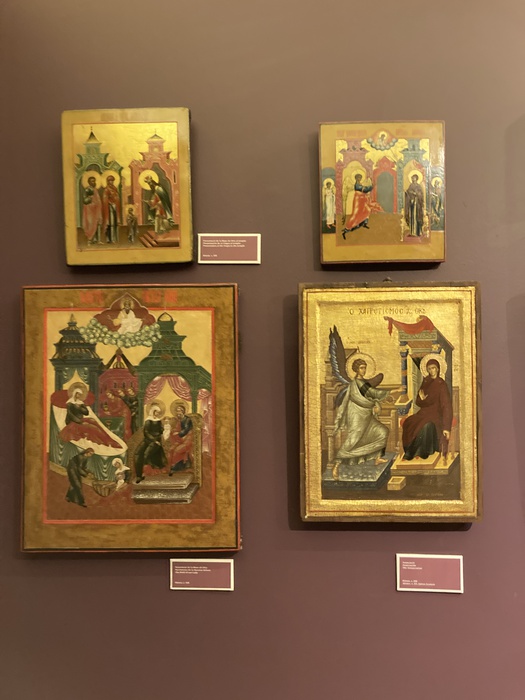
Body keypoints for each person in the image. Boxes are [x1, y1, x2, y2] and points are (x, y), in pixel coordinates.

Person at [333, 358, 389, 474]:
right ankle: (336, 464)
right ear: (356, 369)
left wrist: (375, 403)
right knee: (353, 440)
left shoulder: (363, 383)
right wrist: (393, 391)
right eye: (361, 368)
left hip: (367, 415)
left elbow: (371, 394)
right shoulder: (355, 384)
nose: (364, 370)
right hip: (357, 415)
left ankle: (377, 458)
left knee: (382, 432)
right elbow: (371, 395)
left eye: (365, 368)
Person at [402, 358, 452, 460]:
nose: (431, 371)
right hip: (424, 412)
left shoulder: (441, 384)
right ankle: (409, 451)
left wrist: (446, 427)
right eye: (429, 369)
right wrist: (422, 399)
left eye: (433, 368)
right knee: (408, 422)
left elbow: (446, 405)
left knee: (426, 425)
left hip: (436, 414)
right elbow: (418, 402)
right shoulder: (426, 382)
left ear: (438, 369)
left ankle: (418, 453)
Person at [134, 404, 166, 483]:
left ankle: (145, 472)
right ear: (153, 412)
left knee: (146, 454)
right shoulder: (148, 420)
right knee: (137, 453)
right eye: (156, 412)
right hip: (148, 440)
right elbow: (146, 432)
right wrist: (153, 439)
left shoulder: (159, 421)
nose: (157, 414)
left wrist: (163, 429)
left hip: (156, 441)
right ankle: (139, 475)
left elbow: (161, 431)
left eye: (159, 412)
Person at [166, 403, 193, 475]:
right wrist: (173, 431)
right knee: (171, 450)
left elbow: (186, 430)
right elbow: (176, 428)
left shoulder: (187, 419)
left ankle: (175, 468)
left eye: (179, 411)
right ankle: (171, 467)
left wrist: (178, 433)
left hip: (188, 439)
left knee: (177, 450)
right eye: (177, 411)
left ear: (183, 411)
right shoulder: (179, 421)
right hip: (180, 439)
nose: (178, 413)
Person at [82, 175, 102, 244]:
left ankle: (97, 240)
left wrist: (97, 204)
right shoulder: (87, 190)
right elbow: (85, 200)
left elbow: (97, 199)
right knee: (91, 224)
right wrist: (90, 199)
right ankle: (90, 239)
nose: (93, 182)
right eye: (92, 181)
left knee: (97, 223)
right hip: (90, 209)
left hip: (96, 209)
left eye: (94, 181)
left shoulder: (95, 189)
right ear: (89, 182)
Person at [102, 174, 121, 244]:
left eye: (112, 181)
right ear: (108, 181)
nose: (111, 182)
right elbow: (105, 199)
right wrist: (110, 203)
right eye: (110, 181)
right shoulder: (106, 189)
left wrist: (116, 203)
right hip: (109, 208)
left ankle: (115, 238)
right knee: (111, 224)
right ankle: (111, 239)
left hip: (115, 208)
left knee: (115, 223)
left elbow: (117, 197)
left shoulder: (115, 189)